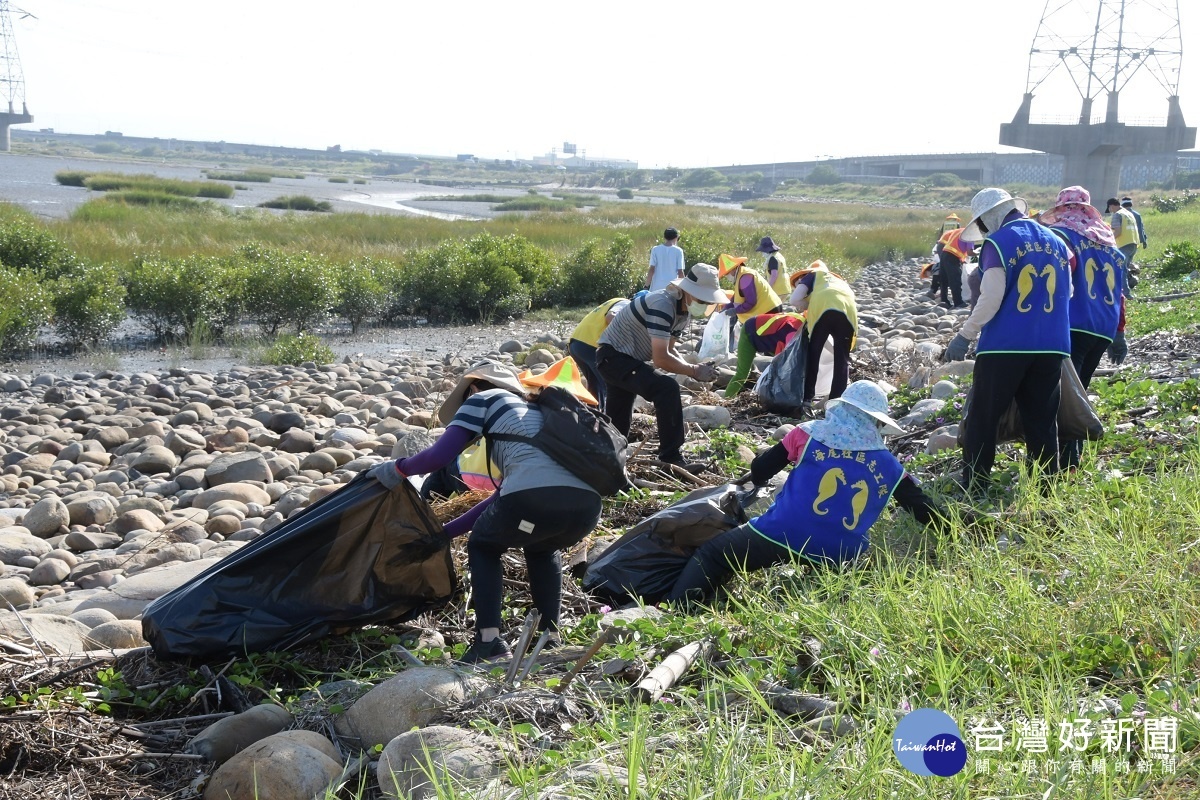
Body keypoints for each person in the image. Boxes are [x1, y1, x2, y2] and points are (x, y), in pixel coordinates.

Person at [367, 360, 602, 664]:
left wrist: (396, 469)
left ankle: (489, 641)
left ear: (474, 387)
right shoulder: (536, 416)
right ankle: (550, 637)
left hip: (535, 500)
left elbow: (439, 456)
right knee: (542, 548)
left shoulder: (482, 399)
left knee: (483, 545)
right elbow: (502, 501)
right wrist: (445, 533)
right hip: (586, 508)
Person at [665, 381, 945, 603]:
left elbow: (761, 471)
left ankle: (676, 608)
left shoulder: (806, 434)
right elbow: (921, 507)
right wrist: (959, 530)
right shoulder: (890, 465)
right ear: (876, 422)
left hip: (780, 533)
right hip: (841, 553)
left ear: (841, 408)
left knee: (714, 554)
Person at [943, 188, 1072, 494]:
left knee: (983, 417)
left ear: (990, 217)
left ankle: (976, 485)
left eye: (984, 224)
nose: (985, 230)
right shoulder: (1057, 242)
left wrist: (964, 336)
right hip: (1052, 346)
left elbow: (990, 299)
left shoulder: (997, 243)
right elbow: (1068, 295)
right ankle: (1045, 488)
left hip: (1005, 346)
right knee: (1041, 419)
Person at [596, 263, 728, 473]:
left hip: (625, 360)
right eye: (702, 299)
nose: (704, 305)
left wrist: (694, 367)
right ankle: (671, 457)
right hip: (613, 357)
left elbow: (670, 350)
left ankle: (608, 461)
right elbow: (660, 359)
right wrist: (694, 371)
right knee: (666, 389)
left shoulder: (682, 313)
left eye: (708, 301)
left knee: (619, 418)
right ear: (687, 291)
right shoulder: (663, 304)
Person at [1040, 186, 1126, 469]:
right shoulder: (1109, 244)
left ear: (1063, 208)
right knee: (1080, 390)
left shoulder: (1065, 237)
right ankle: (1071, 458)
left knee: (1065, 397)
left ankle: (1068, 460)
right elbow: (1120, 294)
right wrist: (1119, 333)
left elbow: (1058, 278)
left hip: (1074, 325)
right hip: (1103, 328)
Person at [789, 260, 859, 408]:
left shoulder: (812, 275)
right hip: (847, 312)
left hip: (824, 310)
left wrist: (806, 305)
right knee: (842, 359)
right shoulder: (839, 282)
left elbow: (794, 299)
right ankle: (836, 401)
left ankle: (807, 398)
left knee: (814, 354)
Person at [724, 311, 806, 397]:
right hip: (750, 333)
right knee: (742, 374)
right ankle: (726, 400)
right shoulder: (795, 330)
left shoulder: (802, 324)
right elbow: (785, 359)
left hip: (769, 338)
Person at [568, 296, 629, 412]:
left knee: (595, 386)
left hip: (575, 344)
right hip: (591, 345)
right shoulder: (626, 303)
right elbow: (610, 317)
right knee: (611, 386)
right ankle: (612, 422)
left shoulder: (613, 301)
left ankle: (592, 418)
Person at [718, 253, 782, 324]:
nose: (726, 276)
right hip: (769, 309)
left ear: (733, 269)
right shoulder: (741, 275)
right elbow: (736, 297)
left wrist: (735, 310)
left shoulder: (745, 277)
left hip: (769, 310)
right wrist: (725, 308)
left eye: (727, 273)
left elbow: (751, 302)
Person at [933, 222, 976, 308]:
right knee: (955, 281)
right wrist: (978, 253)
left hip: (944, 253)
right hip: (953, 257)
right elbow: (969, 252)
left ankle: (944, 301)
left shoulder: (959, 231)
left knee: (944, 280)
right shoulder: (970, 235)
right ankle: (958, 302)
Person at [1107, 198, 1140, 293]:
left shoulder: (1117, 215)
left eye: (1110, 208)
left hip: (1123, 244)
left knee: (1120, 269)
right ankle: (1126, 289)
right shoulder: (1128, 213)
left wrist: (1109, 240)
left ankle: (1125, 293)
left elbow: (1117, 232)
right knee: (1125, 268)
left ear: (1112, 206)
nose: (1110, 211)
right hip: (1133, 244)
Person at [645, 227, 685, 292]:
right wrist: (684, 288)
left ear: (664, 237)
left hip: (656, 288)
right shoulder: (679, 251)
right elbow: (680, 272)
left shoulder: (655, 249)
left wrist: (646, 286)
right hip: (671, 288)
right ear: (676, 238)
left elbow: (651, 270)